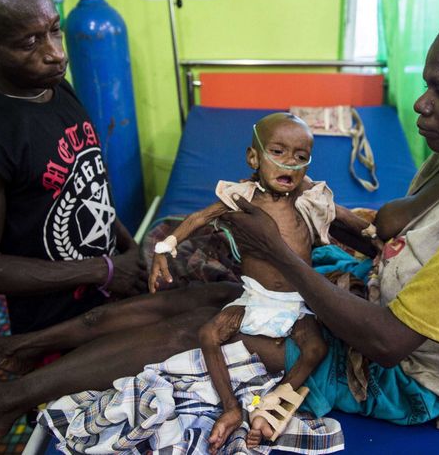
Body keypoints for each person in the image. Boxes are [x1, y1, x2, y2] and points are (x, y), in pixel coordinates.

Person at [0, 5, 439, 444]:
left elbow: (390, 345)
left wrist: (279, 251)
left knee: (195, 329)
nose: (424, 106)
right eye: (425, 86)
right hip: (379, 291)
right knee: (202, 293)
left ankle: (4, 400)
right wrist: (333, 214)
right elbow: (400, 222)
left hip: (416, 377)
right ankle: (9, 350)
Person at [0, 0, 147, 335]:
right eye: (30, 41)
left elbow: (88, 186)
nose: (56, 53)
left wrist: (128, 249)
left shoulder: (53, 87)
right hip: (57, 323)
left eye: (54, 30)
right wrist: (103, 270)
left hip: (110, 289)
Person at [149, 112, 373, 451]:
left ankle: (273, 402)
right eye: (278, 152)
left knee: (316, 349)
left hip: (298, 300)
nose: (290, 164)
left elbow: (344, 216)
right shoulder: (241, 198)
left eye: (301, 157)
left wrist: (376, 235)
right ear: (254, 158)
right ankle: (229, 408)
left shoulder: (307, 198)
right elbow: (197, 218)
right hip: (255, 298)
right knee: (209, 334)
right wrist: (164, 248)